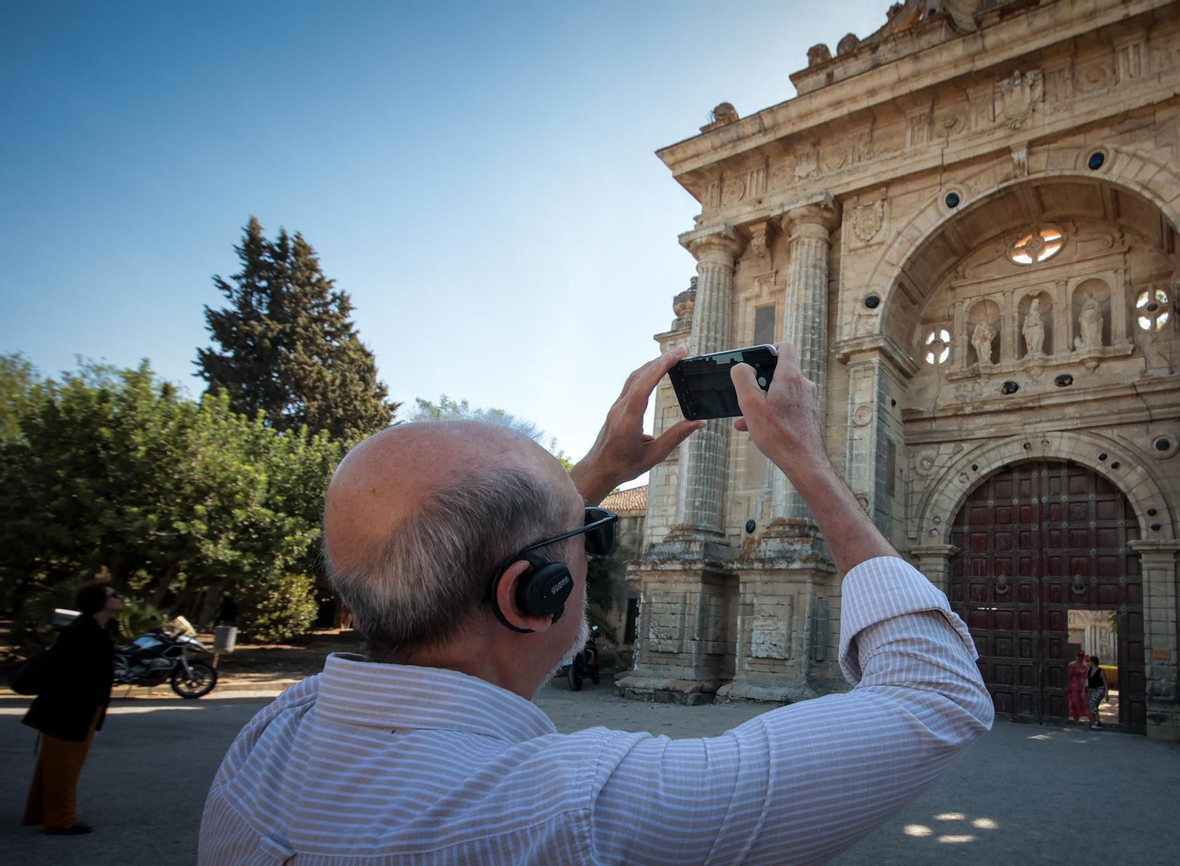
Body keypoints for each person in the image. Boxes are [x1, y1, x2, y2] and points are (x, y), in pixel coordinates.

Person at [198, 342, 994, 864]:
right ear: (535, 596)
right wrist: (809, 464)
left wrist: (591, 477)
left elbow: (468, 560)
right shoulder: (592, 810)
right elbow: (940, 694)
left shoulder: (273, 735)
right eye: (589, 538)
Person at [22, 581, 123, 835]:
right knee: (64, 765)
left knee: (54, 763)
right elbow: (63, 669)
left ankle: (40, 812)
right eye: (113, 595)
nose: (119, 598)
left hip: (75, 706)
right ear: (101, 603)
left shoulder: (91, 629)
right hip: (70, 707)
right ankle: (60, 820)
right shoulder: (84, 631)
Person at [1086, 655, 1108, 730]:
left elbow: (1105, 682)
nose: (1087, 663)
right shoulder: (1089, 670)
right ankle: (1094, 721)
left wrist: (1107, 694)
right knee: (1092, 706)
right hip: (1091, 690)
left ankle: (1098, 722)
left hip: (1100, 690)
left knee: (1092, 702)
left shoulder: (1100, 671)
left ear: (1092, 662)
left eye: (1088, 661)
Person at [1067, 649, 1089, 722]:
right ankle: (1075, 721)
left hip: (1083, 688)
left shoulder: (1086, 665)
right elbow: (1069, 677)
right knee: (1075, 704)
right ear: (1076, 656)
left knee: (1084, 704)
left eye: (1082, 655)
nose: (1081, 657)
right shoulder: (1072, 665)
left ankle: (1079, 719)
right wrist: (1069, 686)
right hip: (1074, 688)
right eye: (1079, 655)